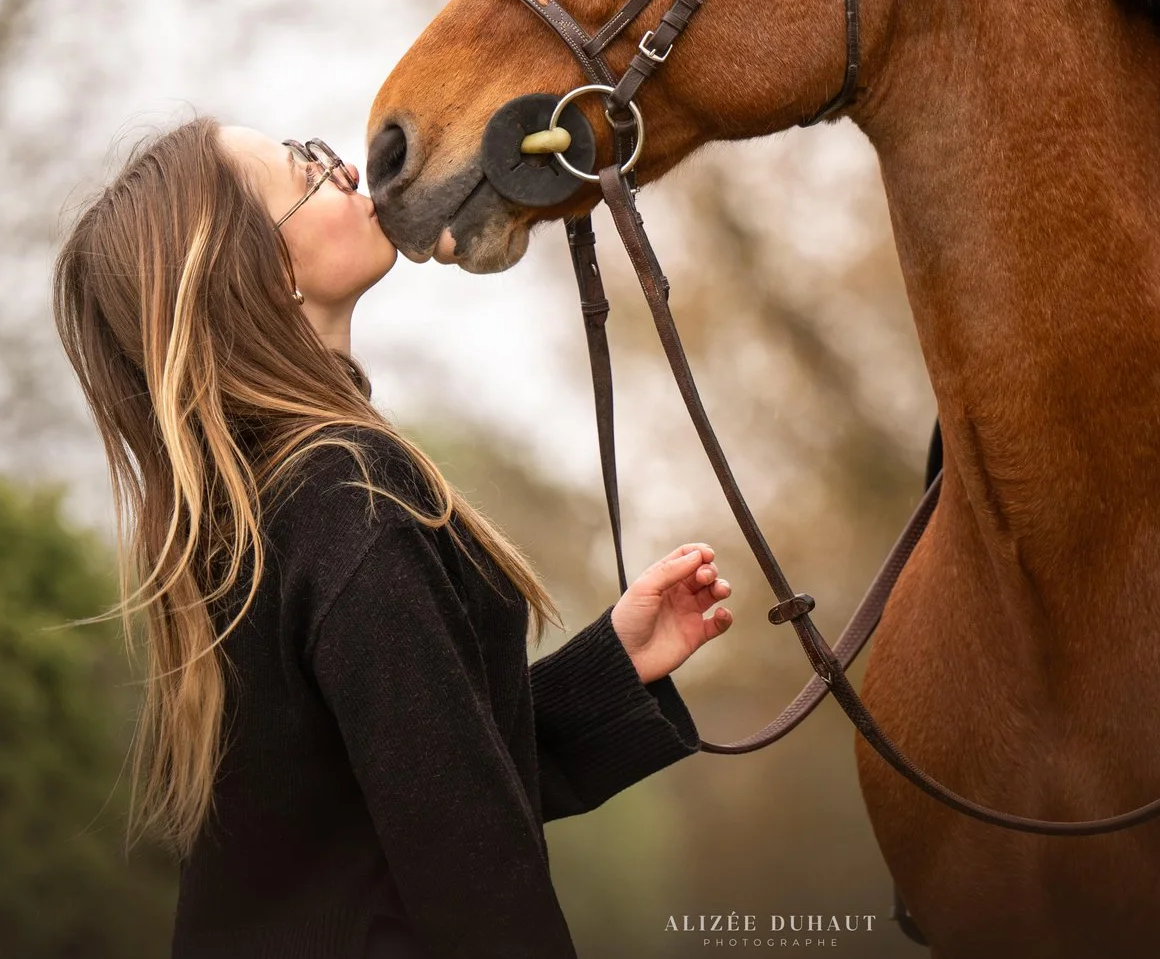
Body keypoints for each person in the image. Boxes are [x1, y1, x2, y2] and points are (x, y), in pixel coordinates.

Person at [53, 117, 733, 957]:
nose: (339, 164)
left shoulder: (268, 505)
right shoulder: (349, 493)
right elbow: (477, 883)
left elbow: (406, 791)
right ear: (264, 274)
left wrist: (611, 669)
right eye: (300, 170)